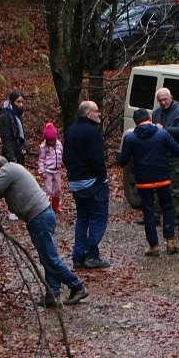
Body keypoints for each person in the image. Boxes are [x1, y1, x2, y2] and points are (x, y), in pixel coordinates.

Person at [0, 155, 86, 307]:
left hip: (39, 217)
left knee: (50, 259)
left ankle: (77, 286)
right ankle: (52, 294)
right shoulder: (12, 169)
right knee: (47, 257)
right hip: (41, 214)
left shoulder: (6, 171)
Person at [119, 108, 179, 255]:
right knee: (167, 208)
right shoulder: (162, 134)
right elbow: (177, 151)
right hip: (162, 177)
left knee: (148, 211)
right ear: (150, 118)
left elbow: (122, 161)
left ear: (135, 122)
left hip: (143, 180)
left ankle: (153, 246)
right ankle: (170, 241)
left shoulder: (131, 138)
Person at [63, 101, 111, 269]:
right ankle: (92, 255)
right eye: (97, 111)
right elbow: (96, 159)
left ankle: (78, 255)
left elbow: (65, 157)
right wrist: (103, 178)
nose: (99, 114)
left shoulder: (70, 131)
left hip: (75, 182)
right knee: (98, 217)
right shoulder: (91, 133)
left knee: (82, 219)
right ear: (88, 113)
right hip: (92, 182)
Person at [154, 87, 179, 222]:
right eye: (160, 100)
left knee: (176, 188)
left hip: (175, 155)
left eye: (165, 99)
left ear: (171, 98)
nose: (163, 102)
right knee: (157, 186)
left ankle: (178, 216)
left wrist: (164, 129)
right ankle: (155, 215)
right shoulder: (157, 113)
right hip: (160, 155)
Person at [35, 121, 64, 213]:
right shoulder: (43, 147)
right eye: (50, 141)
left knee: (58, 189)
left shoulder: (59, 145)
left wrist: (61, 162)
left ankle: (55, 205)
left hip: (57, 170)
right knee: (47, 190)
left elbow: (61, 154)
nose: (52, 142)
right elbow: (41, 159)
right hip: (47, 171)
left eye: (53, 140)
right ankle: (46, 207)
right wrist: (42, 171)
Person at [0, 91, 27, 165]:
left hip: (19, 151)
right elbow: (6, 139)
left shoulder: (17, 115)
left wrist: (24, 146)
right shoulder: (5, 117)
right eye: (18, 102)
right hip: (11, 154)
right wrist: (12, 158)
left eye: (22, 102)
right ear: (12, 102)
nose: (21, 105)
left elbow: (21, 133)